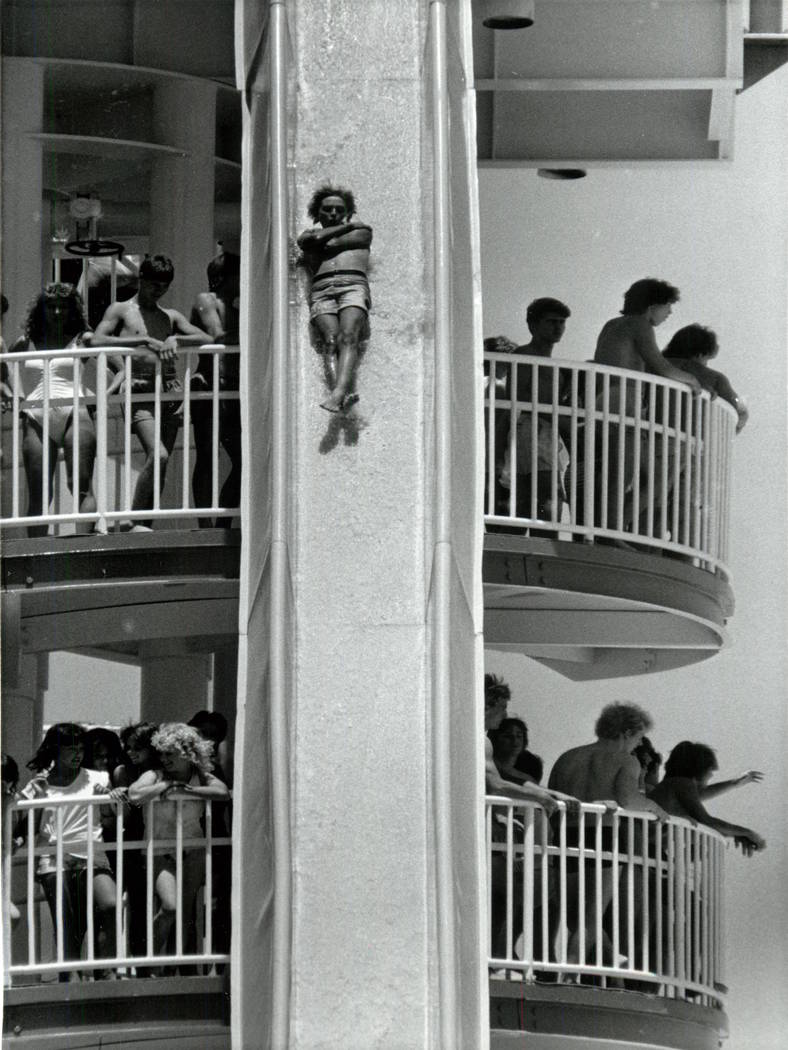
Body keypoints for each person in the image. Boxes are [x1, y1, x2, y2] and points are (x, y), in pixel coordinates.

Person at [87, 255, 211, 528]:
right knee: (160, 454)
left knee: (161, 463)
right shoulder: (121, 310)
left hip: (168, 390)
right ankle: (132, 519)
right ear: (141, 279)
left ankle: (145, 522)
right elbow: (97, 339)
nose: (158, 291)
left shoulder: (170, 317)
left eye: (164, 286)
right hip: (140, 390)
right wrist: (142, 340)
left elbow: (206, 338)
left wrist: (175, 338)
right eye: (154, 284)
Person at [547, 703, 667, 966]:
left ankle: (606, 958)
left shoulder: (568, 757)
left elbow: (551, 796)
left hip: (564, 835)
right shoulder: (626, 759)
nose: (638, 744)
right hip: (602, 836)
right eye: (638, 737)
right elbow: (627, 798)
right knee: (590, 916)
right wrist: (654, 808)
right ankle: (570, 970)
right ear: (626, 733)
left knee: (573, 914)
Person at [593, 280, 702, 542]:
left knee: (640, 474)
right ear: (652, 306)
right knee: (625, 473)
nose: (669, 313)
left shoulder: (612, 324)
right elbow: (661, 365)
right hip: (622, 399)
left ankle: (612, 529)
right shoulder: (639, 324)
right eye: (667, 307)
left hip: (605, 398)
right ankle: (608, 533)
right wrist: (693, 381)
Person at [485, 676, 576, 970]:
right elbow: (495, 784)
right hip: (490, 839)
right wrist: (543, 801)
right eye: (502, 707)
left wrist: (550, 794)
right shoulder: (481, 738)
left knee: (504, 902)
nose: (504, 713)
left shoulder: (479, 738)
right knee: (505, 898)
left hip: (497, 842)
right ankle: (495, 958)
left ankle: (498, 957)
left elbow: (514, 778)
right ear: (490, 704)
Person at [17, 724, 118, 981]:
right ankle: (69, 977)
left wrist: (108, 802)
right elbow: (27, 828)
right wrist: (36, 800)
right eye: (71, 748)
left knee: (110, 904)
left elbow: (112, 820)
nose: (77, 754)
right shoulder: (38, 783)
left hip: (92, 851)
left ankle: (106, 969)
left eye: (81, 748)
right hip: (52, 855)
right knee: (66, 920)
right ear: (56, 749)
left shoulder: (99, 778)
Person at [128, 723, 230, 969]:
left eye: (170, 753)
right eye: (162, 753)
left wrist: (188, 790)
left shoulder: (202, 775)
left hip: (193, 850)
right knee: (170, 907)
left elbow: (222, 792)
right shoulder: (154, 775)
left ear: (188, 754)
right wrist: (165, 787)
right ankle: (148, 962)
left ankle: (174, 970)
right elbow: (134, 794)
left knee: (184, 915)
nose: (164, 759)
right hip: (160, 851)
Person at [7, 285, 97, 537]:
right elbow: (4, 370)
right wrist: (13, 394)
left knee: (80, 485)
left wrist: (105, 394)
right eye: (51, 306)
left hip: (75, 413)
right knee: (38, 494)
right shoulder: (25, 342)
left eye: (63, 306)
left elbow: (119, 363)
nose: (57, 311)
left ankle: (87, 549)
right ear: (41, 309)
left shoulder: (82, 339)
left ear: (72, 309)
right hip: (35, 416)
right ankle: (37, 559)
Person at [297, 184, 372, 413]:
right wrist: (345, 226)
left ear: (347, 211)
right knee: (330, 342)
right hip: (321, 290)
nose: (333, 214)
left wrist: (323, 237)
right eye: (327, 209)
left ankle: (338, 393)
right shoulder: (345, 228)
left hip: (352, 285)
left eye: (339, 210)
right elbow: (312, 239)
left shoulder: (364, 231)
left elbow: (327, 242)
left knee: (348, 336)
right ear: (316, 212)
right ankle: (340, 397)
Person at [499, 299, 572, 534]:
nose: (558, 327)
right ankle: (542, 544)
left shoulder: (554, 366)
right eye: (551, 322)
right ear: (533, 325)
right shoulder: (525, 354)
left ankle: (541, 541)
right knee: (545, 493)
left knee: (545, 495)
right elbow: (516, 398)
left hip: (548, 432)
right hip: (530, 429)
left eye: (561, 323)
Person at [190, 250, 241, 527]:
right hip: (209, 386)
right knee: (207, 456)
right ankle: (204, 524)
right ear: (222, 277)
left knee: (242, 460)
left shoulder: (238, 304)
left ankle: (223, 524)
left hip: (234, 389)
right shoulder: (206, 300)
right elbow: (217, 335)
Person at [650, 742, 765, 855]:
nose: (711, 775)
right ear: (699, 768)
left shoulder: (672, 785)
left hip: (646, 844)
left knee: (698, 842)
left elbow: (701, 794)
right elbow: (706, 820)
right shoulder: (682, 784)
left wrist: (738, 834)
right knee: (699, 840)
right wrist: (749, 833)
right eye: (710, 770)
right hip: (646, 845)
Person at [663, 324, 748, 433]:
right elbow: (736, 411)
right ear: (701, 354)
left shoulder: (656, 366)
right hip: (691, 440)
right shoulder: (716, 378)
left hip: (651, 433)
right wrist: (743, 412)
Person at [490, 716, 544, 785]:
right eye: (507, 736)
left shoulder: (527, 779)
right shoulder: (486, 767)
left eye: (519, 736)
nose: (515, 741)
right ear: (495, 739)